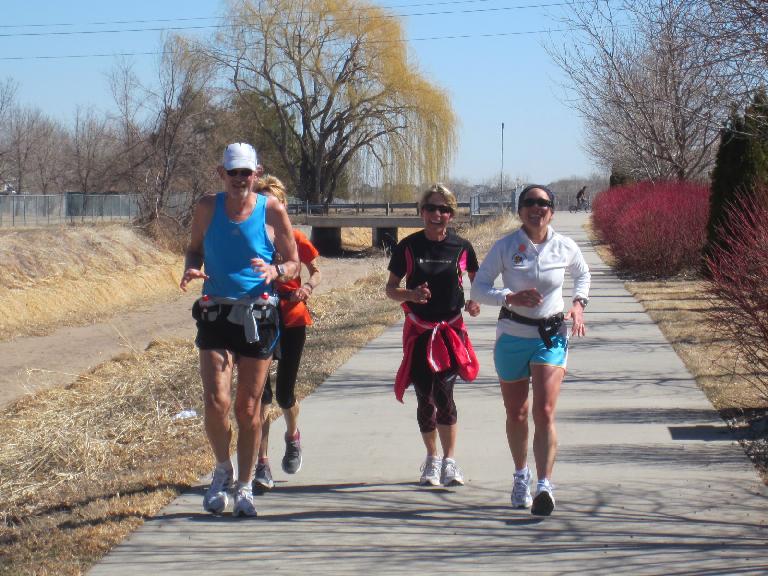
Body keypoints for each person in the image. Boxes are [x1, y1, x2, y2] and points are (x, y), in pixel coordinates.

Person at [180, 142, 299, 517]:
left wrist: (275, 271)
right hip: (215, 311)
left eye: (246, 173)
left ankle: (246, 484)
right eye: (233, 172)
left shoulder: (271, 209)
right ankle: (222, 469)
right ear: (222, 174)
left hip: (257, 317)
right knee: (216, 403)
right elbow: (195, 249)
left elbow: (295, 262)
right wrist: (192, 267)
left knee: (249, 409)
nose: (239, 180)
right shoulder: (206, 207)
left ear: (257, 173)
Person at [471, 184, 590, 516]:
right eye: (529, 203)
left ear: (551, 210)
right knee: (517, 414)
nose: (536, 208)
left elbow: (583, 274)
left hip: (550, 335)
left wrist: (579, 305)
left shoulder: (564, 245)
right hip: (511, 335)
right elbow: (479, 288)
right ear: (520, 209)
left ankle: (544, 485)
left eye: (543, 203)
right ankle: (521, 476)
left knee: (545, 412)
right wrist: (508, 297)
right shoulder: (506, 246)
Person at [385, 183, 481, 487]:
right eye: (431, 208)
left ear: (451, 215)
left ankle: (450, 462)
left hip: (450, 332)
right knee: (424, 398)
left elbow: (478, 283)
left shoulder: (462, 247)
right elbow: (390, 289)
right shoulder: (408, 247)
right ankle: (432, 458)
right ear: (421, 212)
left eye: (444, 209)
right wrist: (410, 294)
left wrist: (474, 302)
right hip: (420, 332)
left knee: (444, 394)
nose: (437, 214)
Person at [253, 176, 321, 490]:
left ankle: (293, 435)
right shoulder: (251, 238)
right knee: (261, 396)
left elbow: (316, 269)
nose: (268, 209)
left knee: (284, 394)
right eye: (262, 203)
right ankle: (261, 464)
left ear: (283, 205)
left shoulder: (293, 237)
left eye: (273, 203)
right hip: (259, 319)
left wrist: (306, 288)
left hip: (292, 319)